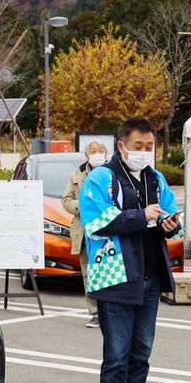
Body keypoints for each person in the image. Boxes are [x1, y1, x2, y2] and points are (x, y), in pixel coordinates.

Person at [79, 117, 182, 383]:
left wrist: (170, 224)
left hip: (150, 277)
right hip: (115, 278)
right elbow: (96, 222)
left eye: (149, 147)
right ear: (121, 146)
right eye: (138, 147)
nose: (144, 153)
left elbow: (170, 215)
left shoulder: (156, 179)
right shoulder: (100, 178)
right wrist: (143, 216)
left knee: (141, 354)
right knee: (116, 355)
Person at [62, 139, 108, 329]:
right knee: (89, 274)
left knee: (108, 271)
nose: (96, 154)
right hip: (85, 232)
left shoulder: (112, 173)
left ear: (106, 153)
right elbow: (66, 199)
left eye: (100, 150)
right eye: (93, 151)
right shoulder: (77, 175)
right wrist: (83, 208)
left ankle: (110, 310)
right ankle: (95, 312)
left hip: (107, 231)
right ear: (86, 155)